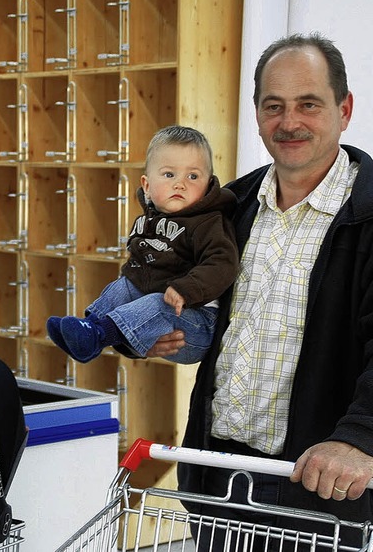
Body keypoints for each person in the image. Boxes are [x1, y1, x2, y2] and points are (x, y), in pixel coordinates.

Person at [151, 33, 373, 542]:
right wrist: (172, 333)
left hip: (324, 488)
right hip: (220, 480)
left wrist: (361, 439)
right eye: (274, 106)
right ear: (256, 113)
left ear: (345, 109)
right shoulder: (228, 206)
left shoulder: (370, 214)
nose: (289, 122)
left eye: (308, 104)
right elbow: (212, 319)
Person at [46, 125, 239, 364]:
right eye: (169, 175)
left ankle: (97, 334)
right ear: (147, 186)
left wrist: (186, 288)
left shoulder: (209, 222)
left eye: (193, 176)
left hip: (197, 322)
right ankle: (91, 328)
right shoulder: (149, 219)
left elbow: (222, 263)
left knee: (159, 302)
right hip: (157, 316)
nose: (180, 184)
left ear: (209, 184)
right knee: (124, 285)